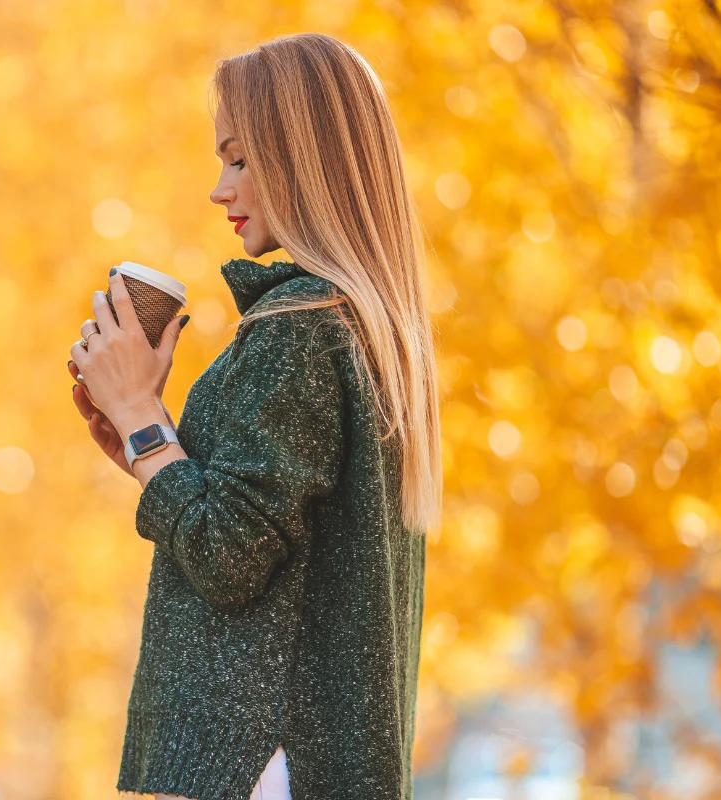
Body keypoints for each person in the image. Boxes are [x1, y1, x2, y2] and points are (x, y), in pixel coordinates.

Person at [66, 32, 442, 800]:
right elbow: (270, 538)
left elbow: (229, 556)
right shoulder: (362, 329)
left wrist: (140, 414)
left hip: (260, 768)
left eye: (238, 160)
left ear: (304, 159)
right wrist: (146, 448)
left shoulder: (298, 329)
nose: (219, 189)